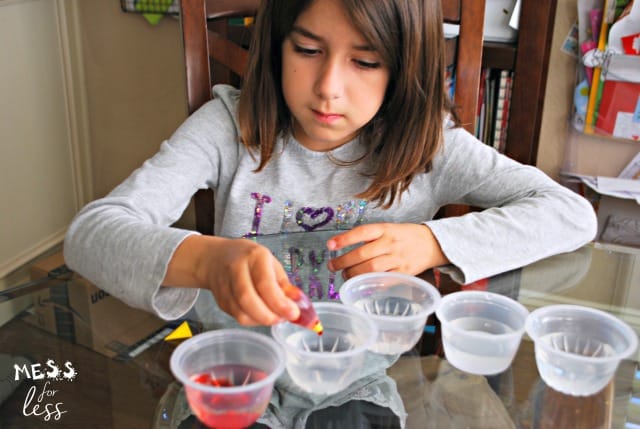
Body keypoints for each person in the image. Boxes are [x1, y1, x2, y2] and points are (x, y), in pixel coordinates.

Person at [64, 0, 597, 328]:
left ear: (403, 68)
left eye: (365, 62)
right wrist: (207, 260)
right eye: (307, 50)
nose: (328, 89)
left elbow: (571, 214)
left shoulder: (430, 144)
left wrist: (431, 243)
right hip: (240, 368)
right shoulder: (227, 126)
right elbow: (90, 233)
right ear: (276, 46)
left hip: (362, 373)